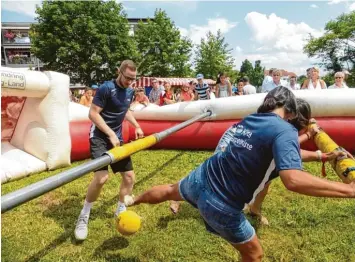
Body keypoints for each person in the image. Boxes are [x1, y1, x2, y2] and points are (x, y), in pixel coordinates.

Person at [124, 86, 355, 261]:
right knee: (254, 254)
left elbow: (282, 152)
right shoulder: (284, 129)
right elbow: (293, 179)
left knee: (170, 191)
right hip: (221, 203)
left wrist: (319, 156)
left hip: (202, 176)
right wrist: (348, 190)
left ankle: (132, 199)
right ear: (292, 112)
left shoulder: (252, 119)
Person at [74, 60, 144, 241]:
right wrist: (111, 133)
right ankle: (84, 214)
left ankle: (121, 207)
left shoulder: (130, 91)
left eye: (133, 79)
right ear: (118, 71)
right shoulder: (106, 88)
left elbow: (125, 110)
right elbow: (93, 113)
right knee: (101, 178)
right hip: (99, 137)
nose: (129, 82)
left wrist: (136, 125)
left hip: (116, 138)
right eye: (127, 77)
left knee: (129, 177)